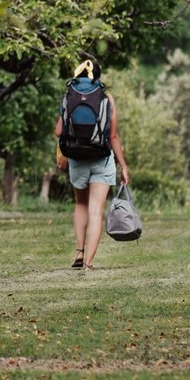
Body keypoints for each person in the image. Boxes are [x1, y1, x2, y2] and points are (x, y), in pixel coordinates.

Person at [54, 60, 129, 272]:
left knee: (81, 205)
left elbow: (59, 131)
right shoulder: (107, 98)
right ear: (98, 76)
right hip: (101, 159)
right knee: (96, 211)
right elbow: (113, 136)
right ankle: (89, 263)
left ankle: (79, 252)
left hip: (77, 159)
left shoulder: (69, 95)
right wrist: (123, 165)